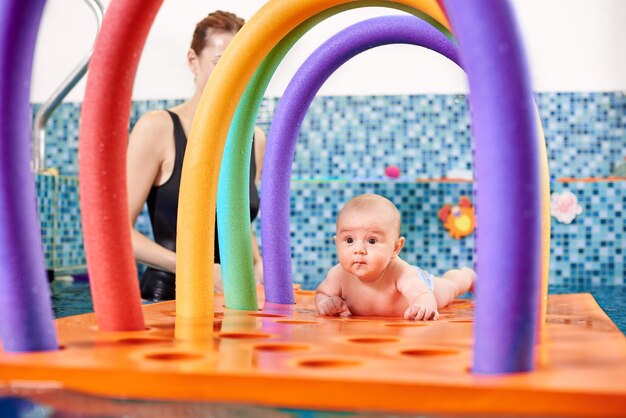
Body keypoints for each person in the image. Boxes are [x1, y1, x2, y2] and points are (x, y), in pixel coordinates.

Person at [126, 11, 265, 301]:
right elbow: (116, 233)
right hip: (166, 298)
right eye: (220, 62)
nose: (232, 73)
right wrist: (197, 270)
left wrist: (258, 265)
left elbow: (236, 222)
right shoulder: (158, 128)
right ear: (193, 61)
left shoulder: (255, 139)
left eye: (242, 63)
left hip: (231, 298)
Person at [315, 194, 475, 320]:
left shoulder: (401, 272)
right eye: (349, 240)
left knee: (450, 288)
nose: (359, 250)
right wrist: (325, 303)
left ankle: (466, 276)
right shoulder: (338, 275)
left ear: (395, 248)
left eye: (371, 241)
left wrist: (422, 305)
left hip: (426, 286)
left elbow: (423, 295)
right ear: (337, 243)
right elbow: (322, 293)